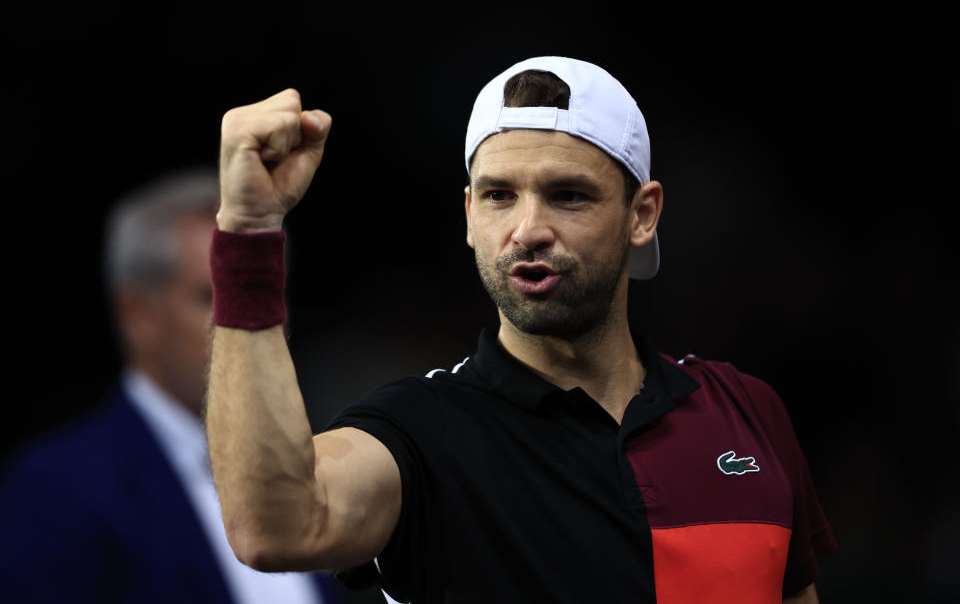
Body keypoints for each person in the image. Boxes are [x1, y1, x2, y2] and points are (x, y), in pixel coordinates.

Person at [206, 57, 837, 603]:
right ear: (469, 215)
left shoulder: (745, 410)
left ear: (642, 215)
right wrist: (249, 230)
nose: (528, 228)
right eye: (499, 195)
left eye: (568, 195)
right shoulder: (423, 431)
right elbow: (275, 527)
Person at [0, 172, 340, 603]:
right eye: (215, 297)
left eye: (268, 291)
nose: (258, 320)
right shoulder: (57, 492)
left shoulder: (307, 473)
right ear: (137, 314)